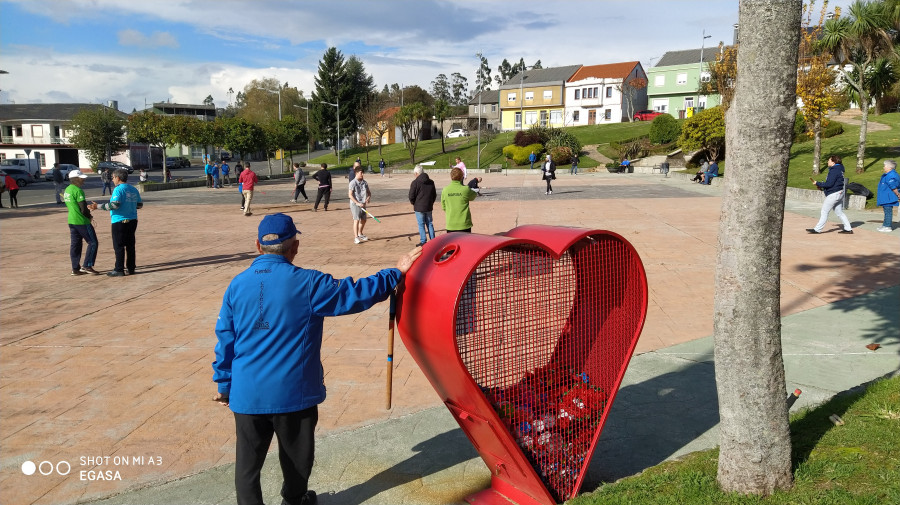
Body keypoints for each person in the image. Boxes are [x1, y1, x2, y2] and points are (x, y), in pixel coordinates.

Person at [212, 213, 422, 505]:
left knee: (247, 465)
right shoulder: (308, 283)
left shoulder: (236, 285)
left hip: (246, 393)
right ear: (294, 247)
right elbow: (355, 294)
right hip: (293, 395)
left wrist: (224, 384)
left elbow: (225, 338)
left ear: (258, 247)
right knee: (297, 458)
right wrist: (395, 273)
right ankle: (295, 500)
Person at [90, 168, 143, 277]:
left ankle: (119, 269)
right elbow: (139, 205)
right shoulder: (133, 189)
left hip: (119, 221)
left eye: (113, 177)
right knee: (130, 245)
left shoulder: (118, 190)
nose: (112, 180)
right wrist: (129, 206)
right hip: (132, 220)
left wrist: (98, 206)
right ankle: (131, 268)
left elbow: (114, 205)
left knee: (119, 246)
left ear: (118, 178)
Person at [64, 170, 100, 276]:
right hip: (81, 221)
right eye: (81, 178)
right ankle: (87, 265)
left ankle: (75, 268)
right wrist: (89, 216)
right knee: (93, 242)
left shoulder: (67, 189)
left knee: (75, 244)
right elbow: (83, 208)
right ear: (76, 179)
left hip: (72, 220)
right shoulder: (78, 190)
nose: (83, 180)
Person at [807, 155, 853, 234]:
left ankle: (817, 229)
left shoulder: (834, 170)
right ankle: (848, 228)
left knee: (824, 211)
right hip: (839, 193)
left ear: (833, 162)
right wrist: (821, 187)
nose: (827, 162)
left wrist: (818, 183)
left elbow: (829, 184)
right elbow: (833, 183)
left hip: (834, 194)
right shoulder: (839, 169)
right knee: (839, 212)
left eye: (829, 160)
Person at [441, 167, 477, 233]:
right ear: (461, 177)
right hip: (464, 224)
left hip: (451, 223)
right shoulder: (465, 189)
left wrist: (450, 211)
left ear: (451, 177)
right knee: (465, 243)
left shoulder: (445, 190)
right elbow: (474, 196)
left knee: (452, 243)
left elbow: (443, 206)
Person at [408, 164, 436, 246]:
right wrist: (431, 202)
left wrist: (414, 203)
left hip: (419, 207)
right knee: (429, 223)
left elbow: (411, 196)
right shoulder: (431, 182)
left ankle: (423, 241)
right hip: (428, 206)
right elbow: (434, 195)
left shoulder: (415, 182)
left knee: (421, 224)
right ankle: (433, 240)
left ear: (416, 173)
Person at [348, 165, 371, 244]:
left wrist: (368, 198)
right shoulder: (353, 183)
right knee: (356, 220)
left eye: (363, 173)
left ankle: (360, 233)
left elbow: (369, 193)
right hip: (355, 204)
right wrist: (357, 203)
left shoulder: (365, 182)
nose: (362, 174)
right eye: (361, 173)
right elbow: (350, 195)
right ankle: (356, 237)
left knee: (364, 220)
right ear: (356, 173)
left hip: (363, 203)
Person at [876, 159, 900, 232]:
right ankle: (885, 224)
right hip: (885, 196)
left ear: (890, 167)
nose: (884, 167)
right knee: (886, 211)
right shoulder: (888, 175)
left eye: (885, 166)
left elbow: (893, 186)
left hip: (889, 197)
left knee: (888, 211)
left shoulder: (891, 175)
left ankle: (888, 226)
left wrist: (898, 194)